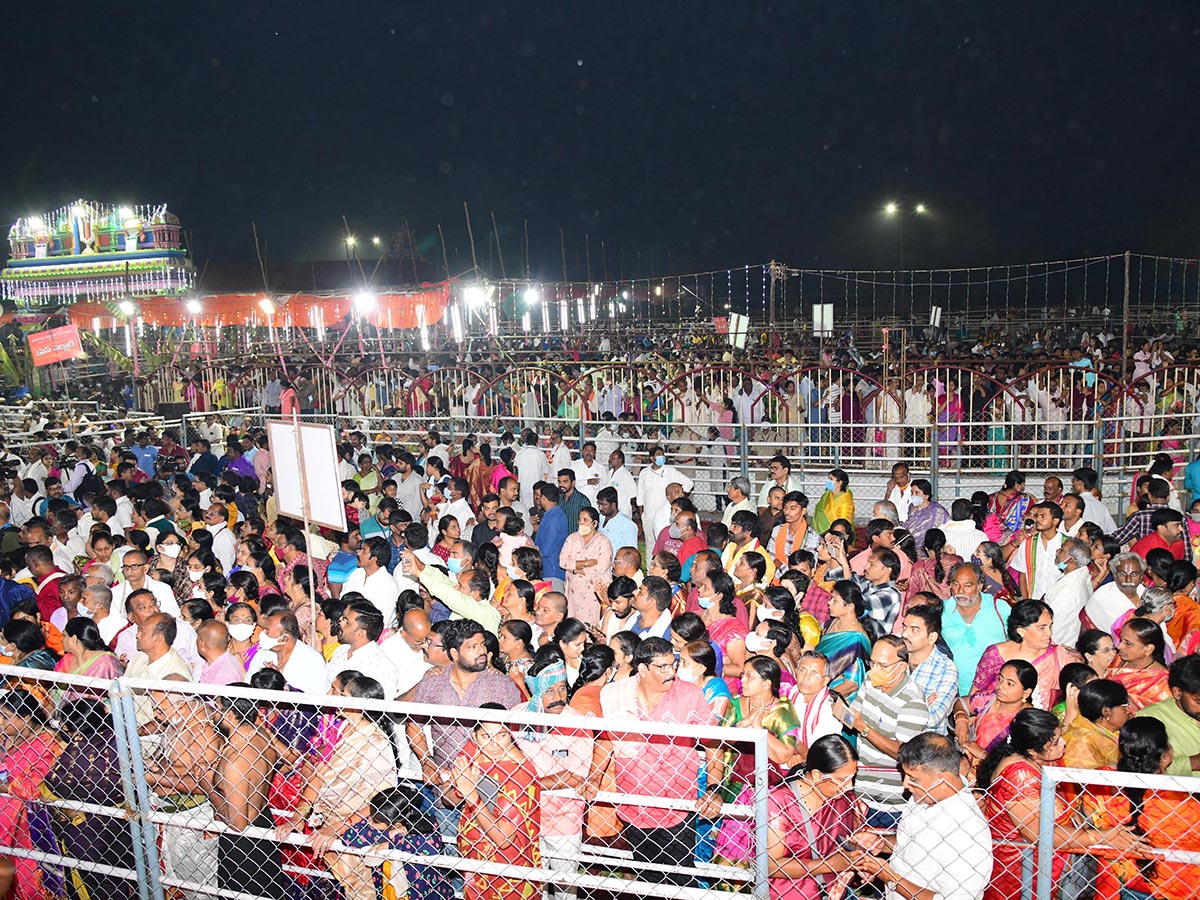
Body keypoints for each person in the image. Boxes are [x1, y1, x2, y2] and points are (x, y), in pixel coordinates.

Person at [589, 636, 724, 886]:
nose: (671, 672)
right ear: (642, 669)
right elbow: (607, 739)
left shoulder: (689, 695)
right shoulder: (617, 695)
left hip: (677, 807)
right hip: (633, 806)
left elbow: (713, 744)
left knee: (680, 880)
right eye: (662, 667)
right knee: (647, 879)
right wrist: (594, 777)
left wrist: (714, 789)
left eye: (673, 664)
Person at [977, 708, 1143, 900]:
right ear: (1033, 750)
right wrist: (1101, 837)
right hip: (1020, 871)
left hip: (1038, 864)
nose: (1063, 743)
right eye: (1055, 742)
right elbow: (1040, 834)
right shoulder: (1020, 775)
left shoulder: (1038, 759)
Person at [851, 732, 993, 900]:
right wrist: (882, 843)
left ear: (943, 780)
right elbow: (913, 841)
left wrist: (890, 878)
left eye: (913, 779)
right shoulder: (923, 796)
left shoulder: (967, 832)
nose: (905, 785)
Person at [46, 698, 137, 899]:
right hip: (120, 824)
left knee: (96, 884)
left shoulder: (74, 755)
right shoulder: (118, 738)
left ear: (75, 731)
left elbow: (52, 783)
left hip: (86, 832)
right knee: (121, 877)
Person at [838, 635, 930, 829]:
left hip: (890, 799)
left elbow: (903, 752)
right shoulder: (871, 681)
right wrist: (841, 711)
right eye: (873, 662)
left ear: (902, 666)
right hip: (862, 787)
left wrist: (864, 729)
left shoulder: (912, 701)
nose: (875, 670)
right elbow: (855, 713)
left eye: (883, 665)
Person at [202, 692, 286, 900]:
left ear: (230, 715)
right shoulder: (261, 734)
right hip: (264, 822)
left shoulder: (236, 762)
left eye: (218, 709)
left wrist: (209, 788)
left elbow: (238, 822)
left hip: (244, 845)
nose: (214, 714)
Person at [765, 734, 860, 900]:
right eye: (843, 779)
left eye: (852, 777)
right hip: (790, 894)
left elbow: (848, 839)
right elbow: (771, 866)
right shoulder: (780, 801)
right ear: (817, 775)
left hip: (833, 892)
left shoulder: (842, 799)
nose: (849, 786)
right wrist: (828, 865)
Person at [0, 689, 61, 900]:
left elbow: (38, 787)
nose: (0, 721)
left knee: (25, 878)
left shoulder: (48, 743)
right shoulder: (7, 736)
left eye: (5, 716)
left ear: (25, 717)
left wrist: (6, 787)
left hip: (26, 821)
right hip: (4, 816)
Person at [970, 599, 1079, 713]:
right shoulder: (996, 655)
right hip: (993, 724)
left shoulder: (1059, 657)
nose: (1049, 633)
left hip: (1037, 726)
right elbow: (973, 698)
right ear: (1021, 631)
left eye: (1050, 626)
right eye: (1041, 628)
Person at [900, 605, 959, 732]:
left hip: (922, 747)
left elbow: (933, 718)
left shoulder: (946, 669)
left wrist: (893, 700)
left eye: (914, 630)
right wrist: (922, 703)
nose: (905, 634)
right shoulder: (894, 654)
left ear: (932, 637)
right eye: (904, 627)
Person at [816, 579, 874, 702]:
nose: (829, 603)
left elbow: (851, 684)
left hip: (838, 696)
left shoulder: (856, 640)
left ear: (849, 607)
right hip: (818, 684)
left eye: (835, 600)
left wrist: (822, 699)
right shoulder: (831, 623)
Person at [559, 506, 612, 625]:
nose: (581, 523)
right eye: (580, 519)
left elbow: (601, 567)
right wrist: (586, 563)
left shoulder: (603, 541)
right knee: (575, 623)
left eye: (585, 520)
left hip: (594, 592)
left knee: (593, 622)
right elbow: (562, 562)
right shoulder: (572, 538)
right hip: (574, 591)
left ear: (594, 523)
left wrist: (575, 569)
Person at [1062, 678, 1130, 769]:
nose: (1129, 711)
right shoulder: (1081, 741)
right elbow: (1081, 780)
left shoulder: (1115, 733)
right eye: (1124, 706)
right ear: (1106, 712)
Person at [1108, 617, 1171, 711]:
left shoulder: (1162, 682)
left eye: (1128, 643)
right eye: (1121, 640)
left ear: (1148, 649)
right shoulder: (1118, 659)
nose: (1119, 646)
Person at [812, 468, 853, 536]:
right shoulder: (827, 494)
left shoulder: (846, 502)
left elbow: (843, 525)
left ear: (839, 483)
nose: (828, 481)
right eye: (828, 478)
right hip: (817, 532)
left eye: (831, 479)